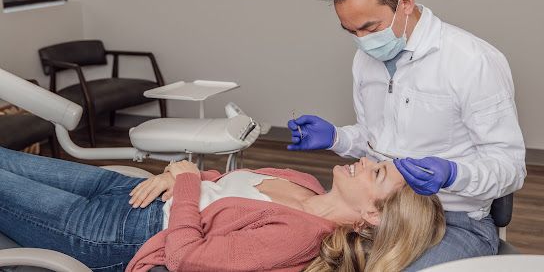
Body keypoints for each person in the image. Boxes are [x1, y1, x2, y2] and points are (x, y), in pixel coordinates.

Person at [287, 0, 527, 269]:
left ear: (406, 4)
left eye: (370, 28)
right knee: (295, 256)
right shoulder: (365, 60)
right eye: (351, 32)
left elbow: (510, 168)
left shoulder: (472, 61)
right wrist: (336, 138)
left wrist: (453, 175)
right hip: (379, 215)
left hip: (453, 222)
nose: (362, 41)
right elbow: (377, 142)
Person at [0, 147, 444, 272]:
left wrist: (187, 179)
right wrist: (180, 178)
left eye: (378, 175)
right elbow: (222, 183)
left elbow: (187, 258)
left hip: (115, 232)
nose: (366, 161)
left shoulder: (298, 236)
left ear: (372, 215)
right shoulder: (303, 181)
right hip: (132, 189)